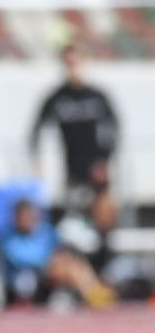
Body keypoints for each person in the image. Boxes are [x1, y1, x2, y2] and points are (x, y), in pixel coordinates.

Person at [28, 43, 119, 212]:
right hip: (72, 168)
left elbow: (114, 126)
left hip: (96, 168)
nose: (72, 68)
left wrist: (105, 159)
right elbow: (37, 128)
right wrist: (36, 159)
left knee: (103, 211)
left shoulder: (96, 96)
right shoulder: (57, 98)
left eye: (75, 63)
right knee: (74, 211)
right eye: (68, 63)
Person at [0, 197, 115, 308]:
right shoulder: (8, 238)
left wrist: (57, 258)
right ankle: (92, 292)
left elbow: (58, 246)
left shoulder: (44, 232)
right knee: (64, 266)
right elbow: (21, 260)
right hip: (27, 277)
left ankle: (92, 291)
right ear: (16, 218)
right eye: (23, 216)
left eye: (29, 215)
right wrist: (49, 261)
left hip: (50, 272)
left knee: (69, 261)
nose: (27, 220)